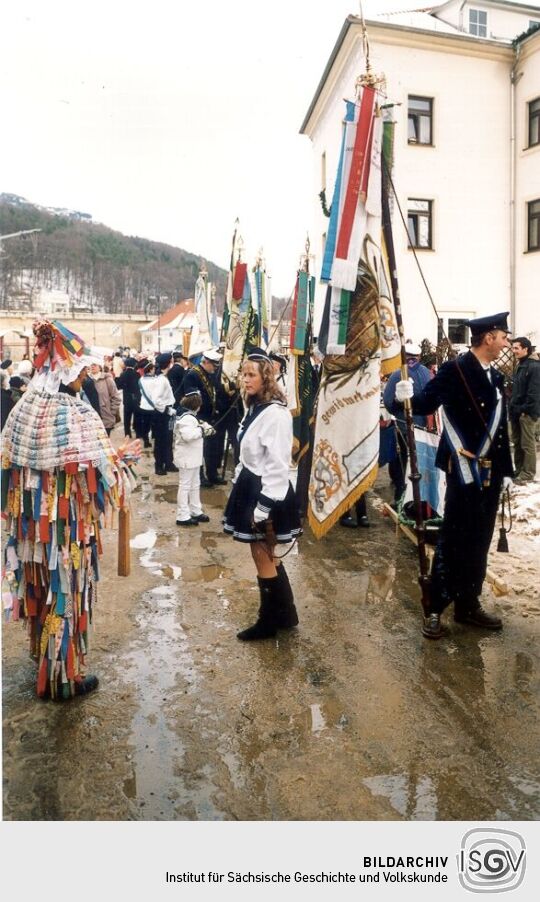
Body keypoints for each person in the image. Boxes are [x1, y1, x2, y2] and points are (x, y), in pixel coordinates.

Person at [1, 320, 139, 700]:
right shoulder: (77, 415)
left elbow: (7, 463)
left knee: (42, 591)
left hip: (31, 531)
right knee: (67, 596)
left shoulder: (22, 409)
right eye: (83, 371)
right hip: (68, 534)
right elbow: (106, 475)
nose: (87, 377)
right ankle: (65, 679)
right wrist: (125, 462)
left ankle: (44, 657)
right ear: (68, 372)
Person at [395, 312, 513, 639]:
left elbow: (500, 430)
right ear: (488, 337)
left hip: (489, 476)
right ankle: (434, 609)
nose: (506, 341)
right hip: (463, 473)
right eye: (503, 335)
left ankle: (468, 604)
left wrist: (507, 471)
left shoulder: (496, 377)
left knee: (480, 540)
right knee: (454, 540)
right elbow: (423, 402)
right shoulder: (455, 370)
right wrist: (401, 396)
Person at [223, 348, 302, 640]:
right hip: (251, 484)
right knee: (267, 554)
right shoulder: (255, 408)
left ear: (266, 377)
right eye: (243, 374)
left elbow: (279, 465)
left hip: (267, 490)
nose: (245, 380)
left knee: (263, 556)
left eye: (251, 375)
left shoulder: (276, 415)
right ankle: (286, 613)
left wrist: (263, 506)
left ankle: (267, 623)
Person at [383, 342, 432, 504]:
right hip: (414, 426)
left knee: (403, 462)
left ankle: (404, 494)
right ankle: (407, 494)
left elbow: (389, 403)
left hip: (413, 426)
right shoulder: (424, 373)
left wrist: (396, 402)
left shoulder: (399, 374)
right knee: (409, 462)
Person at [183, 348, 225, 486]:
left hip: (211, 416)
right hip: (199, 416)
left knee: (212, 448)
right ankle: (200, 477)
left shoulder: (209, 373)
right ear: (205, 362)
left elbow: (215, 391)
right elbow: (193, 398)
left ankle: (212, 475)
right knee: (199, 449)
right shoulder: (193, 375)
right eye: (213, 365)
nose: (215, 368)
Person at [173, 390, 214, 526]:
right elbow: (188, 436)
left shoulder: (190, 417)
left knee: (195, 484)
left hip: (193, 458)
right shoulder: (186, 418)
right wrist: (202, 430)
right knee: (185, 486)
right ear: (196, 405)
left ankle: (195, 509)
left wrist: (204, 427)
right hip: (187, 458)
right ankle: (182, 515)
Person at [139, 351, 177, 475]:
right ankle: (159, 465)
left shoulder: (162, 378)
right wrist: (166, 410)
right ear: (169, 363)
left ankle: (168, 462)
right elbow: (156, 400)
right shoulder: (161, 380)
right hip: (162, 414)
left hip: (166, 413)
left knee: (168, 439)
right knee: (161, 440)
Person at [509, 337, 540, 484]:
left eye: (516, 348)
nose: (513, 351)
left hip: (527, 413)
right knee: (517, 442)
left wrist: (524, 410)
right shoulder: (521, 365)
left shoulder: (534, 367)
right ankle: (519, 471)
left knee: (527, 444)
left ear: (526, 349)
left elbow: (534, 393)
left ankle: (527, 473)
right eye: (513, 348)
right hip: (516, 411)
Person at [89, 362, 121, 435]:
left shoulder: (107, 379)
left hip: (106, 418)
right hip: (92, 418)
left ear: (100, 367)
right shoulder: (87, 380)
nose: (92, 366)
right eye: (91, 365)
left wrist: (111, 412)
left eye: (95, 364)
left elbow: (116, 397)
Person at [116, 356, 143, 439]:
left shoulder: (123, 374)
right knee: (137, 416)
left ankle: (127, 433)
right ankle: (138, 434)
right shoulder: (137, 374)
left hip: (127, 398)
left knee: (127, 417)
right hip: (136, 398)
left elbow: (119, 386)